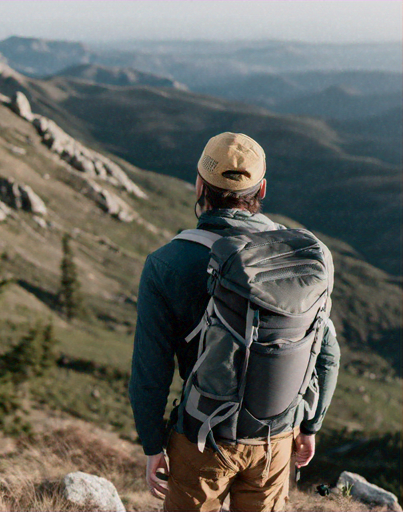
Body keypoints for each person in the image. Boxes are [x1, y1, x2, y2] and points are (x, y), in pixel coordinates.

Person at [129, 132, 340, 512]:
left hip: (201, 438)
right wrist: (310, 426)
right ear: (261, 190)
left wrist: (151, 444)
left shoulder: (166, 264)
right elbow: (327, 355)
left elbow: (151, 370)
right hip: (275, 437)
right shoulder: (300, 258)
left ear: (199, 185)